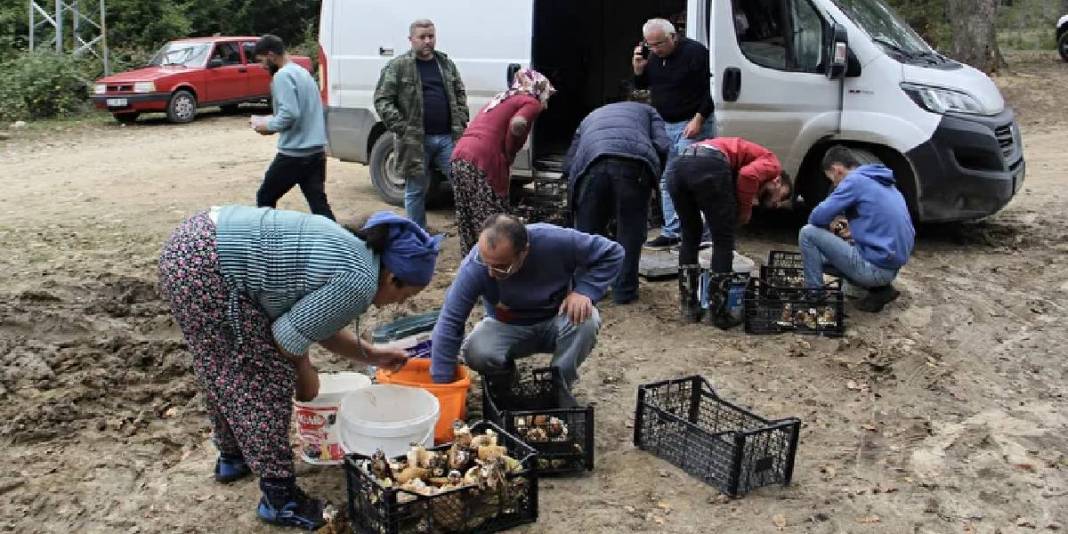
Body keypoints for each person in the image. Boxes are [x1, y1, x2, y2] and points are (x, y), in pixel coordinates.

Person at [158, 206, 442, 530]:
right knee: (261, 377)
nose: (402, 304)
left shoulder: (357, 254)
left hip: (194, 245)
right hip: (207, 267)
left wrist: (373, 356)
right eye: (406, 295)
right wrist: (304, 372)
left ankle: (232, 458)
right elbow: (287, 336)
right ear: (392, 277)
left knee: (226, 368)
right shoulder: (360, 281)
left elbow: (314, 323)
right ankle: (280, 499)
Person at [429, 214, 623, 390]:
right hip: (507, 326)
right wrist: (442, 385)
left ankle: (559, 386)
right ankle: (505, 378)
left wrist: (585, 291)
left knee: (587, 319)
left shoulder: (555, 241)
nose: (490, 273)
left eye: (501, 268)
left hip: (555, 320)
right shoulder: (475, 266)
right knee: (476, 351)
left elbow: (613, 253)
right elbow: (450, 321)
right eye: (486, 264)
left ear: (524, 252)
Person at [669, 138, 791, 323]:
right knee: (723, 239)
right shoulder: (772, 163)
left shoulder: (741, 155)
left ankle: (689, 309)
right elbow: (748, 175)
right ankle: (717, 314)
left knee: (690, 236)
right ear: (778, 180)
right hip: (708, 164)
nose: (776, 204)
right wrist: (745, 212)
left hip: (679, 166)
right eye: (781, 196)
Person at [563, 101, 671, 304]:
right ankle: (624, 291)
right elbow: (662, 145)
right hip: (633, 165)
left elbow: (569, 160)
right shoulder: (649, 111)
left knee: (588, 231)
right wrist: (654, 177)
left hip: (591, 164)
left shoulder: (591, 114)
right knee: (630, 231)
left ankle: (588, 289)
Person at [374, 19, 470, 229]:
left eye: (431, 36)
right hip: (416, 141)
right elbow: (382, 100)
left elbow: (459, 92)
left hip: (447, 138)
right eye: (422, 37)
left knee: (462, 183)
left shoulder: (444, 63)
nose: (427, 41)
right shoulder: (399, 66)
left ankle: (469, 231)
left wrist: (461, 119)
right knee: (415, 190)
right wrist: (402, 127)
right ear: (411, 39)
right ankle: (417, 235)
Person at [632, 18, 717, 250]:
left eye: (659, 44)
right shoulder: (653, 57)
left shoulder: (695, 53)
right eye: (651, 45)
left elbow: (711, 90)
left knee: (691, 176)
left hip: (692, 121)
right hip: (665, 123)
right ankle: (673, 230)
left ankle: (702, 232)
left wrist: (699, 118)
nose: (656, 50)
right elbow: (643, 84)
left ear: (673, 37)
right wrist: (639, 69)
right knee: (666, 178)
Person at [450, 68, 555, 253]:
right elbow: (517, 124)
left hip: (459, 155)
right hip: (483, 159)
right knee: (493, 223)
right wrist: (509, 152)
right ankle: (496, 263)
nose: (546, 104)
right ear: (538, 89)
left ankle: (471, 264)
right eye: (547, 94)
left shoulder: (502, 98)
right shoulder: (531, 102)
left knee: (467, 218)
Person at [800, 146, 915, 313]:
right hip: (889, 264)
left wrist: (831, 222)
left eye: (832, 179)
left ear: (836, 170)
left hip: (875, 268)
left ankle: (814, 297)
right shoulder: (877, 179)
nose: (834, 184)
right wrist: (852, 230)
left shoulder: (854, 181)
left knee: (808, 233)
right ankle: (880, 290)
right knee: (821, 257)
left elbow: (816, 218)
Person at [250, 34, 334, 221]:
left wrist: (267, 126)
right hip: (316, 151)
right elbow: (304, 110)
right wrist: (267, 119)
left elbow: (290, 114)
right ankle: (340, 243)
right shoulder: (302, 72)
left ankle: (270, 242)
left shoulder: (282, 76)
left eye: (261, 61)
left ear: (271, 55)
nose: (262, 66)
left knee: (265, 197)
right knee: (319, 205)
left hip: (294, 154)